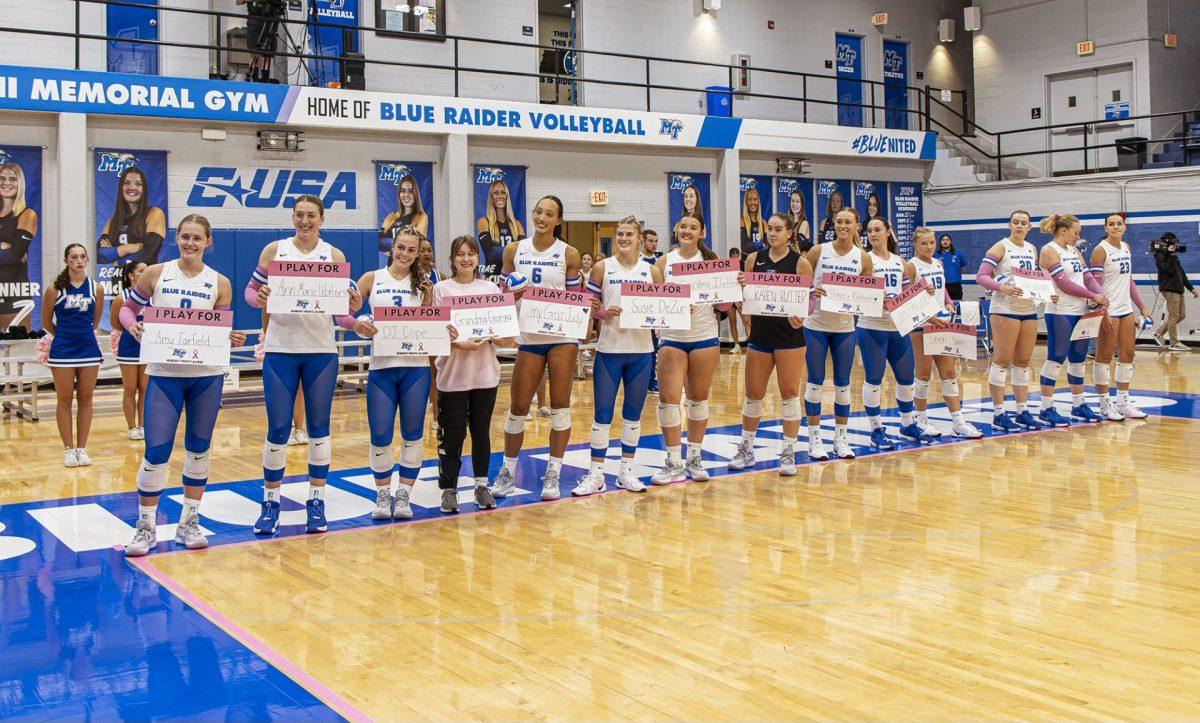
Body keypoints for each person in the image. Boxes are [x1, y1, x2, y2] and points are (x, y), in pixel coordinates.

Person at [121, 214, 247, 555]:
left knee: (199, 448)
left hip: (206, 376)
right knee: (156, 451)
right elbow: (126, 309)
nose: (190, 243)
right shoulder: (156, 273)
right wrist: (133, 325)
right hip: (164, 375)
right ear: (177, 238)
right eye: (185, 237)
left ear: (209, 242)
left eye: (197, 238)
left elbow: (218, 327)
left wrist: (230, 337)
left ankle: (188, 522)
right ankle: (145, 527)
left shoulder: (219, 282)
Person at [244, 195, 362, 535]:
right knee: (278, 428)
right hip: (281, 349)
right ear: (292, 218)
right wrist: (259, 297)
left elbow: (340, 313)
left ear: (322, 219)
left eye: (311, 215)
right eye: (299, 215)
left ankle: (316, 501)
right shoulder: (274, 250)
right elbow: (250, 292)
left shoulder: (334, 256)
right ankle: (270, 503)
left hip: (320, 352)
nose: (304, 221)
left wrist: (354, 309)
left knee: (319, 428)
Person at [339, 227, 436, 521]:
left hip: (415, 370)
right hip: (382, 368)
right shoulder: (371, 279)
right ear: (391, 248)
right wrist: (356, 324)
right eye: (401, 248)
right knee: (380, 435)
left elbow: (431, 324)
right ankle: (382, 495)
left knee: (412, 435)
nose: (405, 254)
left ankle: (404, 495)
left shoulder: (425, 284)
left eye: (411, 249)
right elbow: (342, 313)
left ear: (418, 253)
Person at [492, 195, 583, 501]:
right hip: (529, 337)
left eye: (549, 214)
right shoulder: (514, 250)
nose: (542, 217)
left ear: (559, 220)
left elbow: (574, 300)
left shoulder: (569, 254)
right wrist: (511, 298)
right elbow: (502, 294)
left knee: (559, 406)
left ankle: (553, 473)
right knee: (518, 407)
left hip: (561, 337)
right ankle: (507, 472)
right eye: (538, 212)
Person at [573, 215, 662, 495]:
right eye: (620, 234)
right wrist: (601, 313)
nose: (624, 238)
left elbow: (662, 308)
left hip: (641, 352)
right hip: (609, 350)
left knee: (633, 415)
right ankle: (596, 473)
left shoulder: (652, 272)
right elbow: (587, 306)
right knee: (602, 414)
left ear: (639, 238)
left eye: (629, 234)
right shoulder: (602, 268)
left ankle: (626, 471)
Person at [728, 213, 813, 476]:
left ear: (790, 234)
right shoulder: (754, 259)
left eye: (778, 229)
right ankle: (747, 448)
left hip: (790, 337)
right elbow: (744, 297)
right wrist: (741, 288)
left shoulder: (801, 263)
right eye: (770, 229)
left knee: (789, 393)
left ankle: (789, 452)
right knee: (753, 394)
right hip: (761, 336)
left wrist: (802, 316)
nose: (772, 233)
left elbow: (808, 301)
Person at [432, 236, 511, 513]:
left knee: (481, 433)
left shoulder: (490, 288)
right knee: (452, 436)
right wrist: (456, 343)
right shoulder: (440, 289)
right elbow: (435, 332)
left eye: (471, 254)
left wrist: (501, 334)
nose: (465, 259)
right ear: (452, 259)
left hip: (485, 375)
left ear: (478, 258)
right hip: (452, 376)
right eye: (460, 254)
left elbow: (502, 336)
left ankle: (481, 485)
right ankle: (449, 489)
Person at [652, 215, 731, 484]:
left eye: (693, 227)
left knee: (698, 398)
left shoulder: (712, 263)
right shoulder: (664, 262)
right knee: (669, 399)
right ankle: (673, 461)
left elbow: (723, 308)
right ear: (676, 230)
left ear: (702, 232)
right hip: (673, 337)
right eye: (683, 226)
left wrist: (730, 291)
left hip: (704, 336)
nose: (687, 231)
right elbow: (654, 302)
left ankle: (694, 458)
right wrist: (673, 305)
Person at [856, 217, 932, 448]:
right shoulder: (864, 259)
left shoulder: (902, 262)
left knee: (906, 377)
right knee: (874, 379)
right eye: (869, 231)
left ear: (888, 232)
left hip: (898, 327)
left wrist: (925, 291)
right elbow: (856, 292)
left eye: (878, 230)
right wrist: (879, 302)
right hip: (872, 326)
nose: (873, 234)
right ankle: (876, 428)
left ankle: (908, 425)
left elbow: (912, 291)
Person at [803, 208, 873, 460]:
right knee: (814, 382)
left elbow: (866, 296)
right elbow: (800, 282)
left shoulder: (863, 258)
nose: (843, 225)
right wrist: (812, 290)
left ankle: (840, 439)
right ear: (834, 223)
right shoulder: (818, 251)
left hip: (844, 328)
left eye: (848, 222)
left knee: (843, 385)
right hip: (816, 326)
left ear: (857, 227)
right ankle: (814, 439)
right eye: (839, 221)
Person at [975, 210, 1048, 432]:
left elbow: (1034, 279)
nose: (1019, 226)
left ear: (1029, 227)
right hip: (1004, 308)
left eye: (1023, 223)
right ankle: (998, 413)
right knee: (1002, 360)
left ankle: (1022, 410)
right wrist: (1001, 286)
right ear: (1010, 224)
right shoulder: (1000, 246)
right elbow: (981, 276)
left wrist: (1045, 293)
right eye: (1015, 222)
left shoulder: (1031, 248)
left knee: (1023, 361)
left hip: (1028, 308)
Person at [1036, 213, 1110, 426]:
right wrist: (1092, 296)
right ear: (1063, 230)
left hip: (1080, 311)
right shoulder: (1049, 250)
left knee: (1078, 358)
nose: (1078, 236)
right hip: (1060, 310)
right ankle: (1046, 407)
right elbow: (1064, 283)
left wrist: (1101, 295)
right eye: (1076, 232)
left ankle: (1079, 404)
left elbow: (1087, 278)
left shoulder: (1074, 250)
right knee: (1056, 357)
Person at [909, 227, 982, 438]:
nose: (929, 246)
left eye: (931, 242)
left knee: (949, 374)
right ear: (915, 245)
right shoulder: (911, 266)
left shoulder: (939, 262)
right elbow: (907, 296)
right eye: (924, 243)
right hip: (922, 324)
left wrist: (949, 304)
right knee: (922, 375)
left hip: (941, 322)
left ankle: (958, 422)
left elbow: (944, 290)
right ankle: (921, 420)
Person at [40, 244, 103, 467]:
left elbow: (95, 320)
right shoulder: (54, 289)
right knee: (64, 400)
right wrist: (63, 335)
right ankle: (69, 449)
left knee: (86, 399)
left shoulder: (96, 288)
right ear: (66, 261)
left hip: (88, 350)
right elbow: (45, 322)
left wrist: (81, 334)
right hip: (63, 351)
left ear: (87, 260)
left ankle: (82, 449)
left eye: (82, 257)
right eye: (74, 257)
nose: (79, 260)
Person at [1091, 213, 1152, 419]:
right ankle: (1104, 405)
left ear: (1124, 226)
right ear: (1105, 228)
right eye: (1112, 224)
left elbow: (1130, 280)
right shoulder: (1100, 251)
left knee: (1128, 355)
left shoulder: (1126, 247)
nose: (1116, 227)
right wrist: (1103, 311)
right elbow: (1096, 286)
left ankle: (1123, 402)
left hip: (1126, 309)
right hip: (1109, 310)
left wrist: (1141, 306)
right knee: (1104, 357)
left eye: (1119, 224)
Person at [97, 166, 166, 269]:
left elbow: (148, 254)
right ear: (121, 187)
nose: (132, 187)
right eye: (127, 183)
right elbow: (99, 255)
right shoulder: (113, 220)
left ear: (144, 189)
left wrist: (115, 258)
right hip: (118, 282)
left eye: (138, 184)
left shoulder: (154, 213)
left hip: (143, 280)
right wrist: (130, 248)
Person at [110, 260, 148, 440]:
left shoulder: (153, 296)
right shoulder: (122, 297)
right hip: (129, 346)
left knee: (145, 388)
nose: (146, 273)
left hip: (148, 347)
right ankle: (132, 427)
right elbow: (115, 323)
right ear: (131, 276)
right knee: (130, 389)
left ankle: (143, 425)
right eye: (142, 271)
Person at [0, 161, 37, 329]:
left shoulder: (27, 214)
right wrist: (4, 245)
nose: (6, 182)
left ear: (20, 183)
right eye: (2, 178)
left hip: (14, 292)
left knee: (17, 352)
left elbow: (14, 255)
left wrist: (9, 250)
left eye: (12, 179)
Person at [1152, 232, 1196, 351]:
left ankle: (1159, 333)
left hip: (1177, 289)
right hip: (1169, 289)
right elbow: (1167, 270)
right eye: (1174, 242)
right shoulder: (1160, 255)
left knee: (1180, 315)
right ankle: (1174, 342)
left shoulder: (1173, 256)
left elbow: (1181, 274)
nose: (1176, 245)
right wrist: (1170, 255)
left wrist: (1191, 288)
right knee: (1174, 316)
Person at [476, 180, 524, 276]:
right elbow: (491, 253)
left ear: (507, 196)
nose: (500, 196)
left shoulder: (517, 224)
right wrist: (513, 251)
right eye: (495, 193)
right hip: (493, 278)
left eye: (503, 192)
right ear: (491, 197)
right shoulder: (484, 222)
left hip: (513, 278)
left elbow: (523, 253)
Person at [378, 174, 429, 254]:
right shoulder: (390, 217)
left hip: (411, 265)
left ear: (415, 194)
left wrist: (392, 245)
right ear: (399, 193)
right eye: (403, 191)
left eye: (410, 191)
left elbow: (416, 245)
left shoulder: (422, 217)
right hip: (392, 264)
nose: (406, 195)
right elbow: (381, 244)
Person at [235, 0, 284, 83]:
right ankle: (255, 80)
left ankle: (265, 81)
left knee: (267, 54)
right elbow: (238, 2)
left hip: (270, 18)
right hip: (254, 18)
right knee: (253, 51)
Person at [641, 228, 662, 394]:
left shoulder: (659, 261)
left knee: (654, 348)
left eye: (656, 241)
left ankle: (651, 381)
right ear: (642, 241)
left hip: (655, 311)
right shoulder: (637, 260)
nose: (654, 244)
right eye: (650, 241)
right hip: (639, 309)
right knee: (642, 349)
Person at [934, 233, 968, 301]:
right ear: (940, 242)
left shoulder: (958, 253)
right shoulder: (935, 255)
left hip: (956, 285)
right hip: (942, 285)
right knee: (943, 305)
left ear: (950, 242)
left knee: (956, 305)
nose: (945, 241)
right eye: (943, 240)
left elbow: (963, 268)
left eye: (947, 240)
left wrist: (955, 274)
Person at [739, 187, 766, 255]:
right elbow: (744, 246)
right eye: (749, 200)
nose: (752, 202)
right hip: (746, 261)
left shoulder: (763, 223)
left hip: (761, 261)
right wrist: (761, 245)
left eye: (755, 199)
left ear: (758, 202)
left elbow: (769, 245)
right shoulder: (741, 221)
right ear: (746, 202)